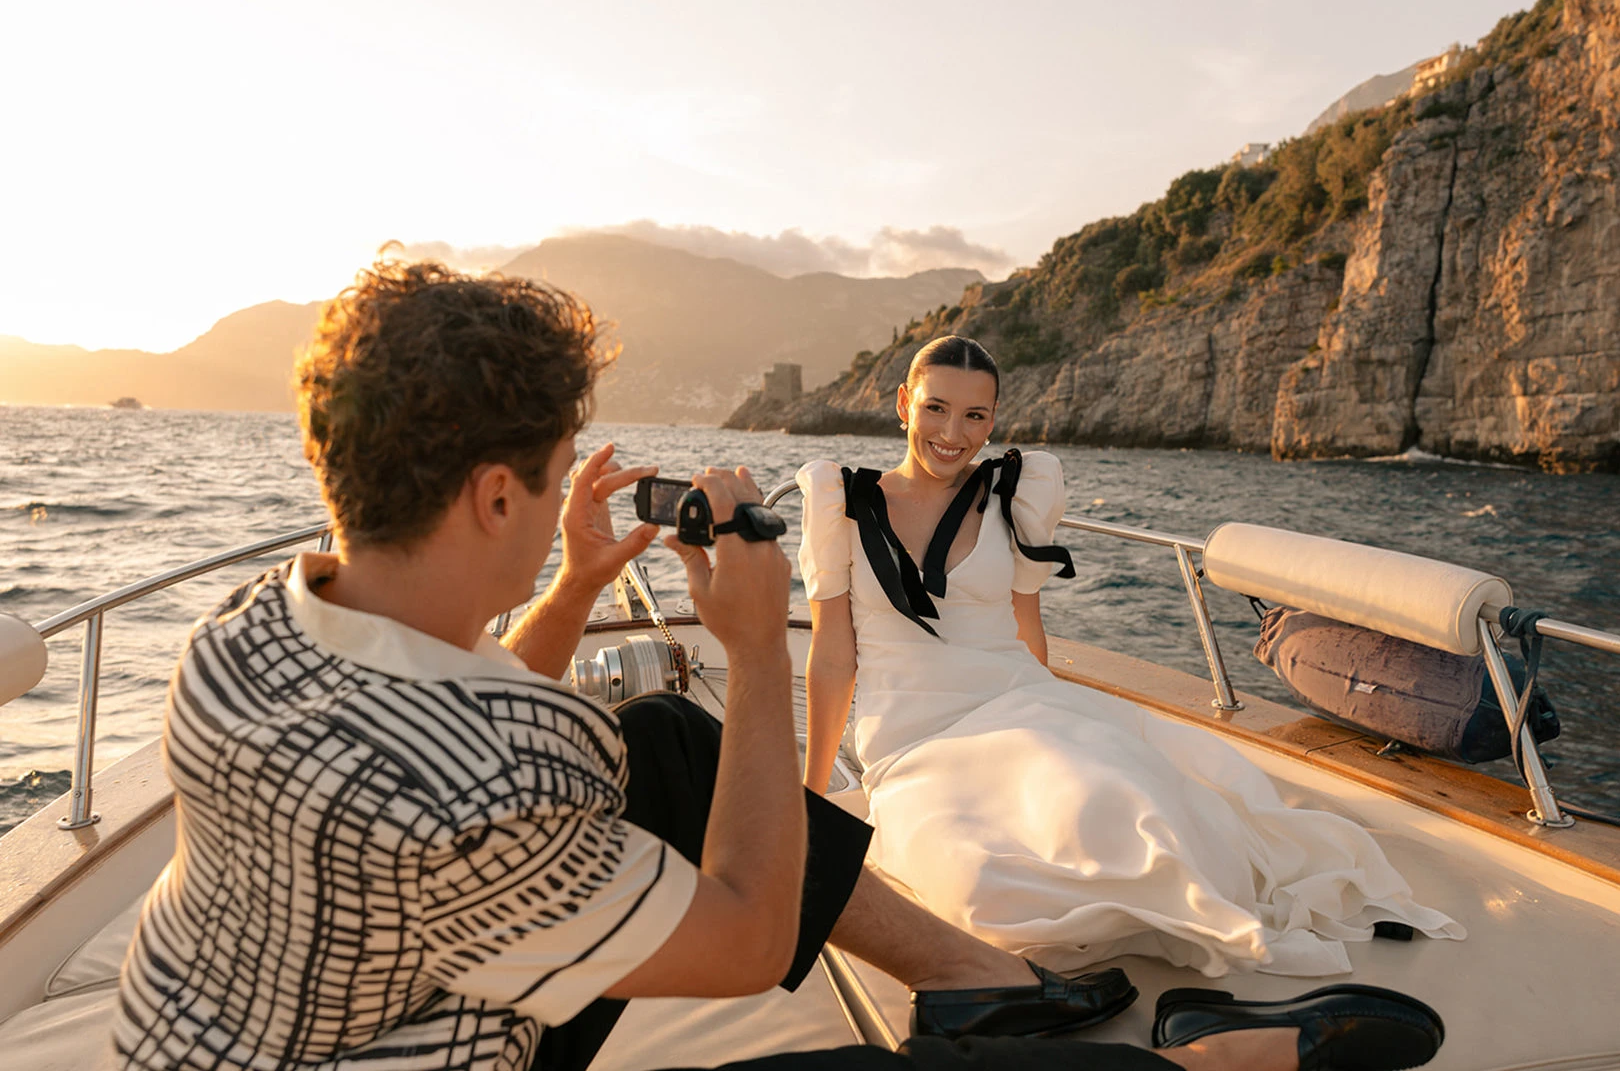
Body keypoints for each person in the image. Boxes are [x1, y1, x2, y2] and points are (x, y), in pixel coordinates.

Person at [113, 262, 1444, 1071]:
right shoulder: (496, 778)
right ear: (489, 498)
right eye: (557, 460)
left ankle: (976, 984)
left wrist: (577, 577)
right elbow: (748, 942)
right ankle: (1220, 1062)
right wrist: (756, 653)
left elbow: (463, 701)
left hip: (275, 1024)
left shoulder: (241, 633)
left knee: (657, 742)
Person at [798, 335, 1466, 980]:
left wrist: (1064, 720)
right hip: (912, 734)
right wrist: (812, 791)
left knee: (1108, 793)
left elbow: (1029, 634)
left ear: (994, 418)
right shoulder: (844, 506)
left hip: (1017, 701)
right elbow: (832, 657)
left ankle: (1187, 885)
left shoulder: (1013, 495)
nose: (953, 432)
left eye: (975, 414)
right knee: (972, 879)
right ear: (902, 403)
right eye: (935, 408)